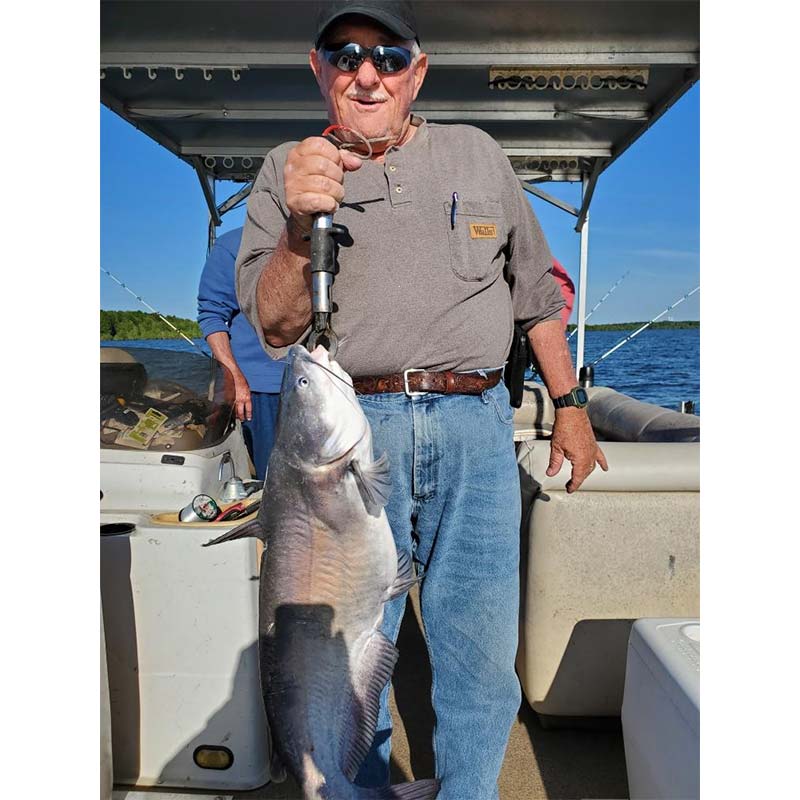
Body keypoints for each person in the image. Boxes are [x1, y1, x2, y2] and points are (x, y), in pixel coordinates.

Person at [235, 2, 608, 797]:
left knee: (478, 657)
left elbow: (536, 296)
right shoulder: (284, 170)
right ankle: (351, 789)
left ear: (417, 71)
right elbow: (272, 323)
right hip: (348, 429)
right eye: (344, 56)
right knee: (354, 648)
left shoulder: (476, 155)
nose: (366, 73)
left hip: (476, 426)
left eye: (388, 56)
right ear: (318, 70)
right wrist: (302, 228)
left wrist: (569, 405)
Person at [197, 226, 284, 480]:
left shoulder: (322, 238)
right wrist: (234, 377)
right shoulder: (232, 245)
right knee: (272, 481)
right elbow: (212, 314)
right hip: (260, 393)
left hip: (317, 384)